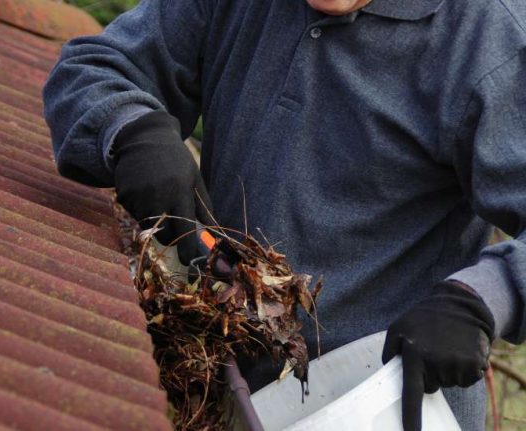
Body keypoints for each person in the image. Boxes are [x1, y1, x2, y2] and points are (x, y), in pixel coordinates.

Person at [42, 0, 526, 429]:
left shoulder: (492, 39)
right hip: (214, 385)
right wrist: (132, 129)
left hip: (384, 404)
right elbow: (93, 68)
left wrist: (483, 299)